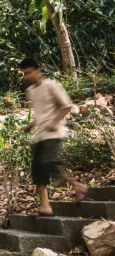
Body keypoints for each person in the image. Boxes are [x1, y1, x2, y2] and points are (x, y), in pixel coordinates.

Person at [19, 57, 87, 215]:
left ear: (38, 70)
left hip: (53, 132)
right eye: (24, 74)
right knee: (37, 169)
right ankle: (45, 206)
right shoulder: (31, 91)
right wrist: (31, 125)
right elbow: (40, 112)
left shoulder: (52, 85)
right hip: (39, 134)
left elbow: (66, 106)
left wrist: (55, 122)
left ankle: (77, 185)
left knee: (47, 162)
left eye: (29, 72)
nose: (27, 76)